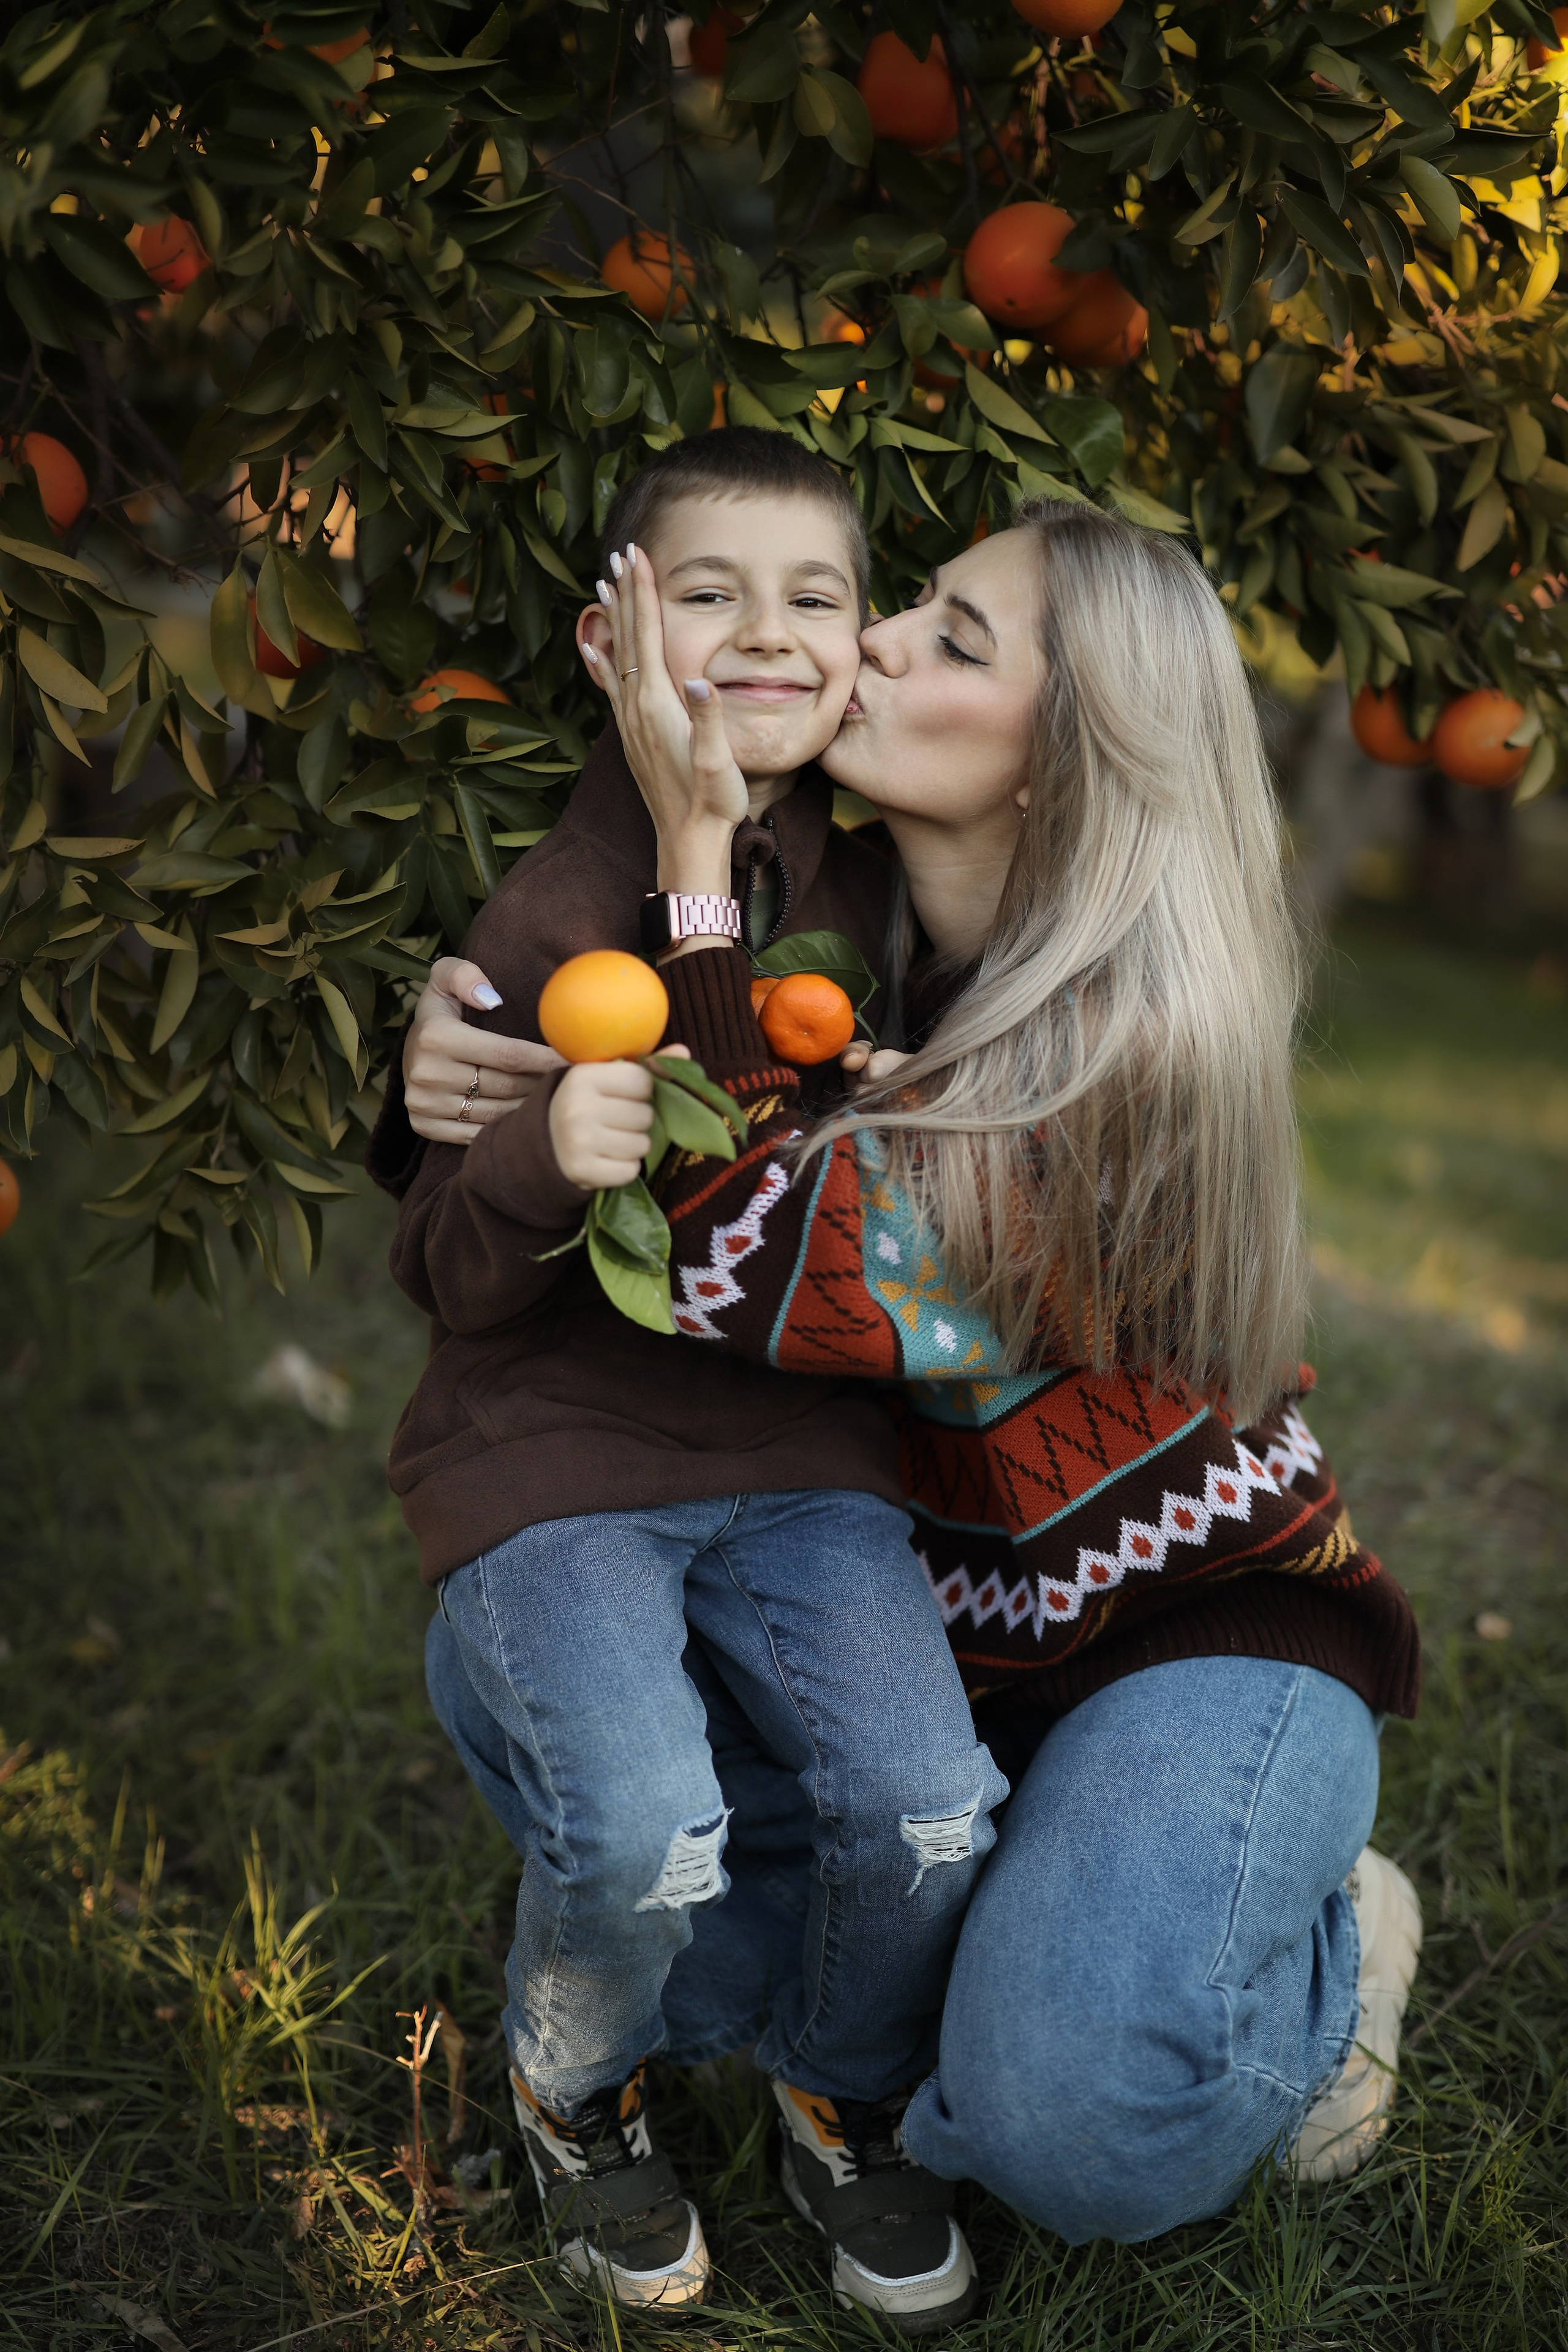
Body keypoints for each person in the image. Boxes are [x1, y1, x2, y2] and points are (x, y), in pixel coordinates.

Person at [399, 499, 1424, 2263]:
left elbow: (746, 1251)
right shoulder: (851, 935)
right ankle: (1030, 1939)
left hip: (1179, 1644)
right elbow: (603, 1053)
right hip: (943, 1648)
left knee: (1068, 2131)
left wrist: (694, 868)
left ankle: (1339, 1947)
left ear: (1068, 758)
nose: (864, 640)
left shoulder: (1133, 1052)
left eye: (953, 639)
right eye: (913, 603)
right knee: (646, 1817)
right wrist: (464, 1064)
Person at [381, 428, 1006, 2328]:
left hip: (808, 1457)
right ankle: (576, 2090)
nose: (766, 634)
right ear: (609, 642)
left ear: (862, 639)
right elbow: (442, 1270)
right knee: (650, 1834)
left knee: (929, 1809)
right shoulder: (549, 913)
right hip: (564, 1455)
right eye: (707, 594)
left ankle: (839, 2088)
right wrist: (526, 1158)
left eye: (816, 597)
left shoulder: (873, 894)